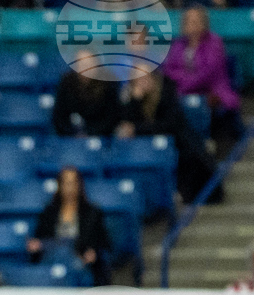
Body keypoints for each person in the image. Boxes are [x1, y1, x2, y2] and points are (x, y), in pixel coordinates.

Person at [115, 70, 218, 204]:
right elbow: (127, 125)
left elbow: (170, 125)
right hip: (146, 150)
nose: (142, 82)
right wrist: (135, 100)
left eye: (145, 77)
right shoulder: (132, 100)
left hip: (180, 147)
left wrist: (138, 129)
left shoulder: (166, 93)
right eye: (137, 79)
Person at [164, 5, 242, 149]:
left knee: (199, 103)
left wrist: (184, 82)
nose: (191, 24)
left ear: (204, 22)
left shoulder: (214, 42)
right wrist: (185, 82)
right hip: (183, 94)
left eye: (195, 21)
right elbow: (169, 71)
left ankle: (208, 143)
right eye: (188, 21)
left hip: (212, 92)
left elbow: (208, 73)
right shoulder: (178, 44)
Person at [27, 166, 110, 287]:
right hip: (52, 262)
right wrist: (35, 245)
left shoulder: (93, 213)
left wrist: (93, 253)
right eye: (66, 183)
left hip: (80, 264)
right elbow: (39, 241)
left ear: (79, 185)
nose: (69, 187)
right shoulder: (48, 212)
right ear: (59, 185)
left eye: (73, 183)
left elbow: (104, 244)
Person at [51, 50, 120, 137]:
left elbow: (112, 116)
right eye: (81, 64)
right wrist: (74, 134)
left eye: (88, 64)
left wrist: (90, 133)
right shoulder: (66, 83)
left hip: (102, 136)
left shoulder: (108, 83)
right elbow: (59, 117)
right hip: (71, 137)